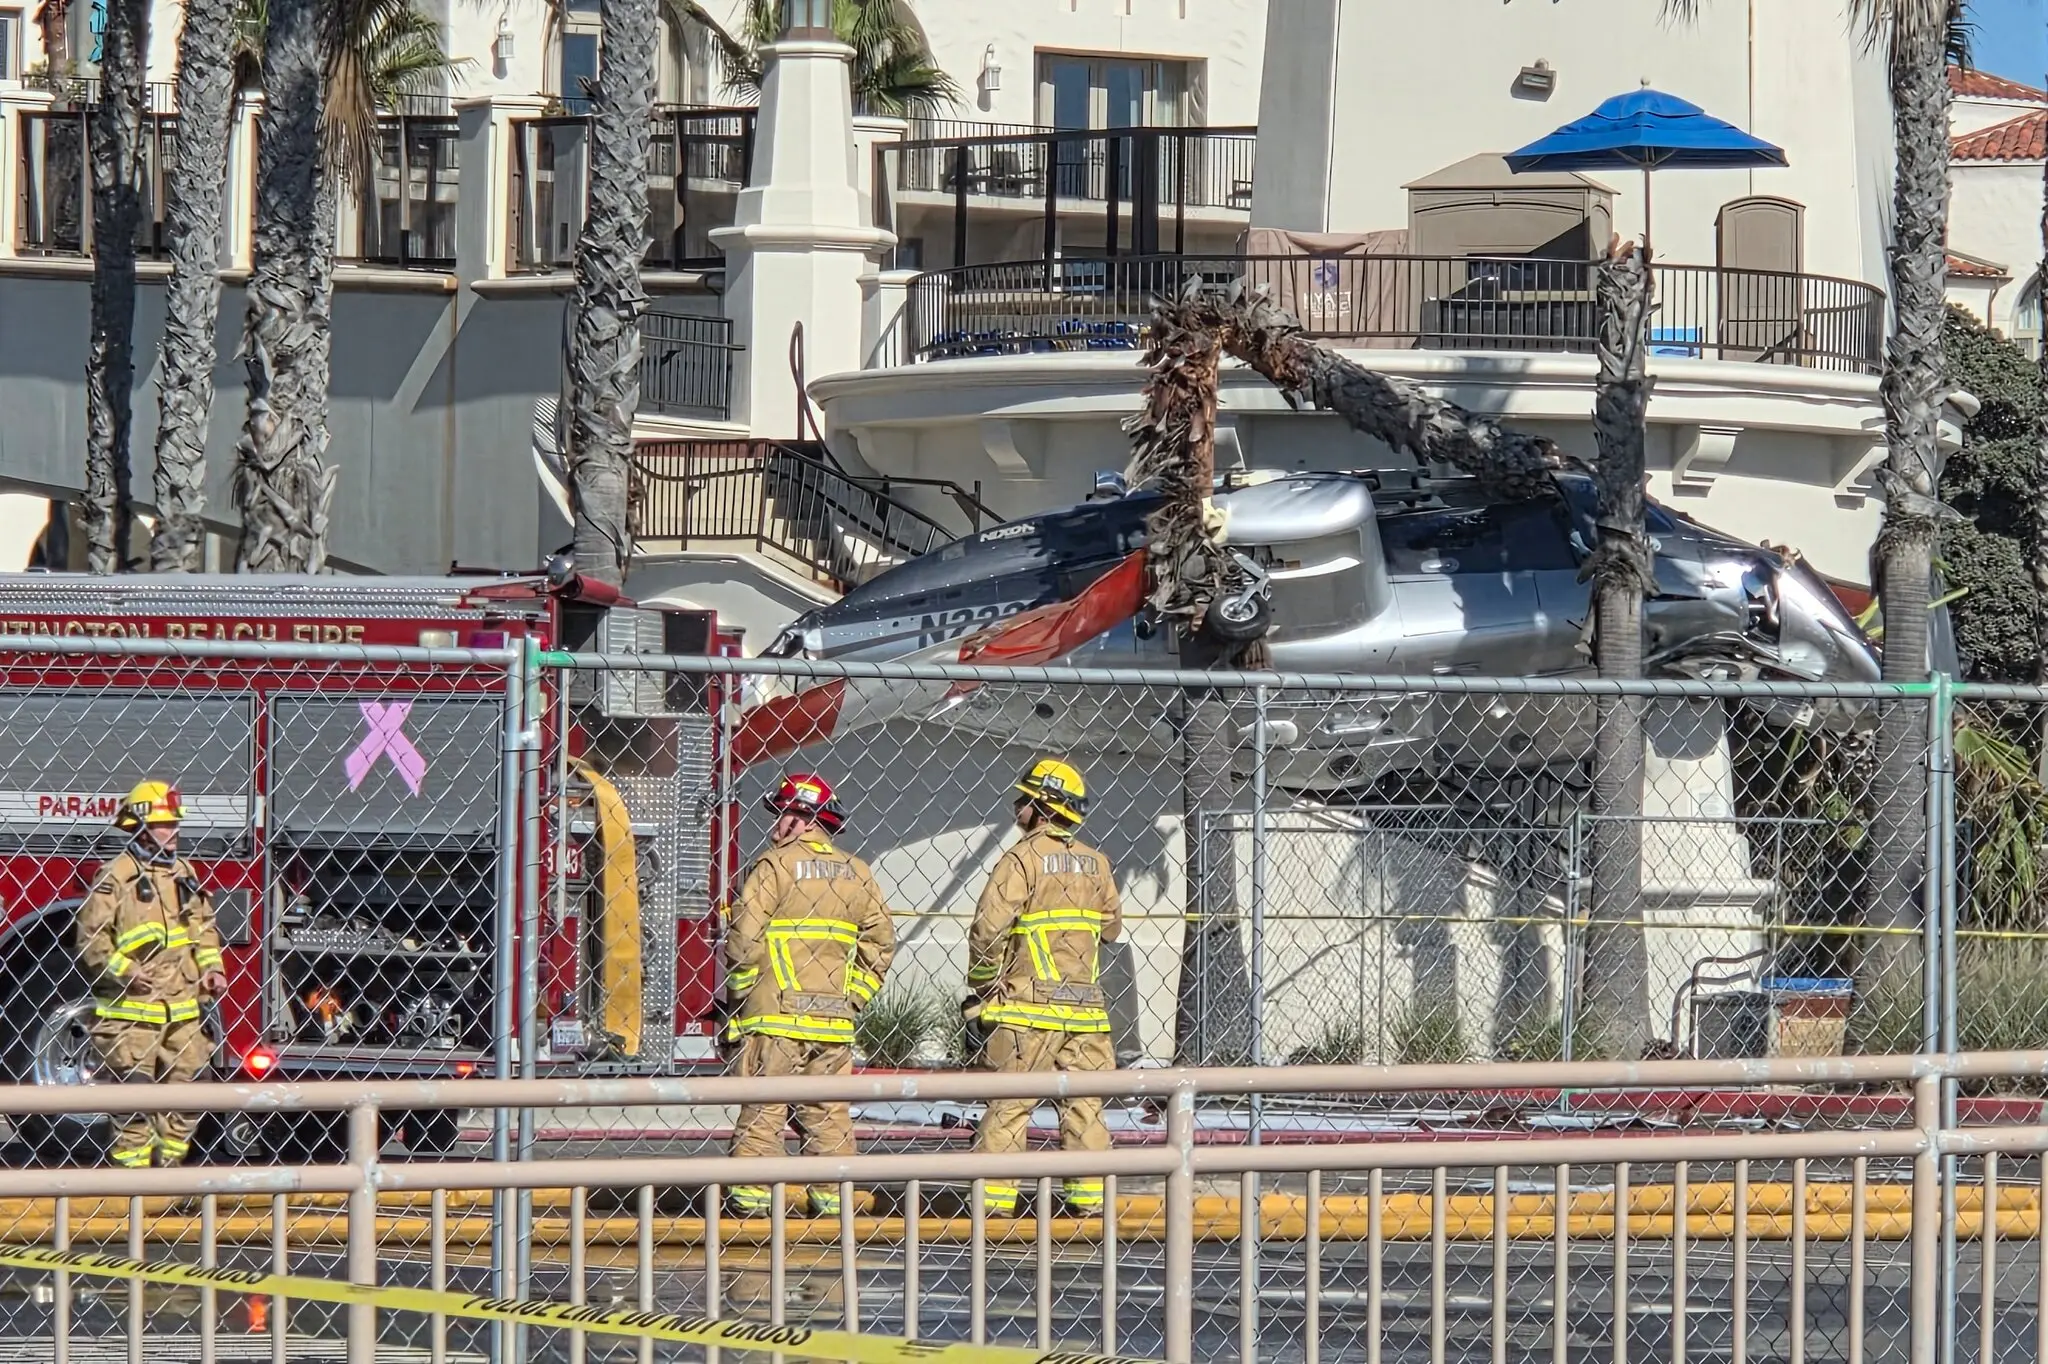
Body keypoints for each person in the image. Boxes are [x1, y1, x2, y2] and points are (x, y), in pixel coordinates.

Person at [724, 772, 894, 1217]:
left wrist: (739, 1000)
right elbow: (881, 944)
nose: (774, 827)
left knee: (764, 1111)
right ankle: (833, 1207)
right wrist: (852, 997)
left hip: (776, 1017)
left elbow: (743, 944)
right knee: (828, 1114)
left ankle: (750, 1208)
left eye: (781, 815)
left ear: (802, 818)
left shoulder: (773, 867)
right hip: (833, 1022)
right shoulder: (857, 873)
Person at [967, 757, 1122, 1217]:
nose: (1016, 804)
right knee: (1085, 1109)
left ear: (1042, 807)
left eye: (1024, 798)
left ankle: (994, 1208)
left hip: (1027, 1010)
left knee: (1011, 1107)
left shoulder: (1020, 860)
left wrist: (983, 986)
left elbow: (988, 931)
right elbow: (1111, 929)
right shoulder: (1097, 863)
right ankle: (1089, 1204)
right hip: (1086, 1012)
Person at [75, 781, 226, 1169]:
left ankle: (168, 1174)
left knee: (192, 1094)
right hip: (131, 1015)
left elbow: (203, 927)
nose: (174, 831)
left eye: (175, 823)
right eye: (165, 824)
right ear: (140, 827)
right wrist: (126, 971)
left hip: (184, 1011)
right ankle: (134, 1186)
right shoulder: (116, 877)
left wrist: (212, 968)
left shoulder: (184, 872)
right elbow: (91, 940)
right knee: (134, 1106)